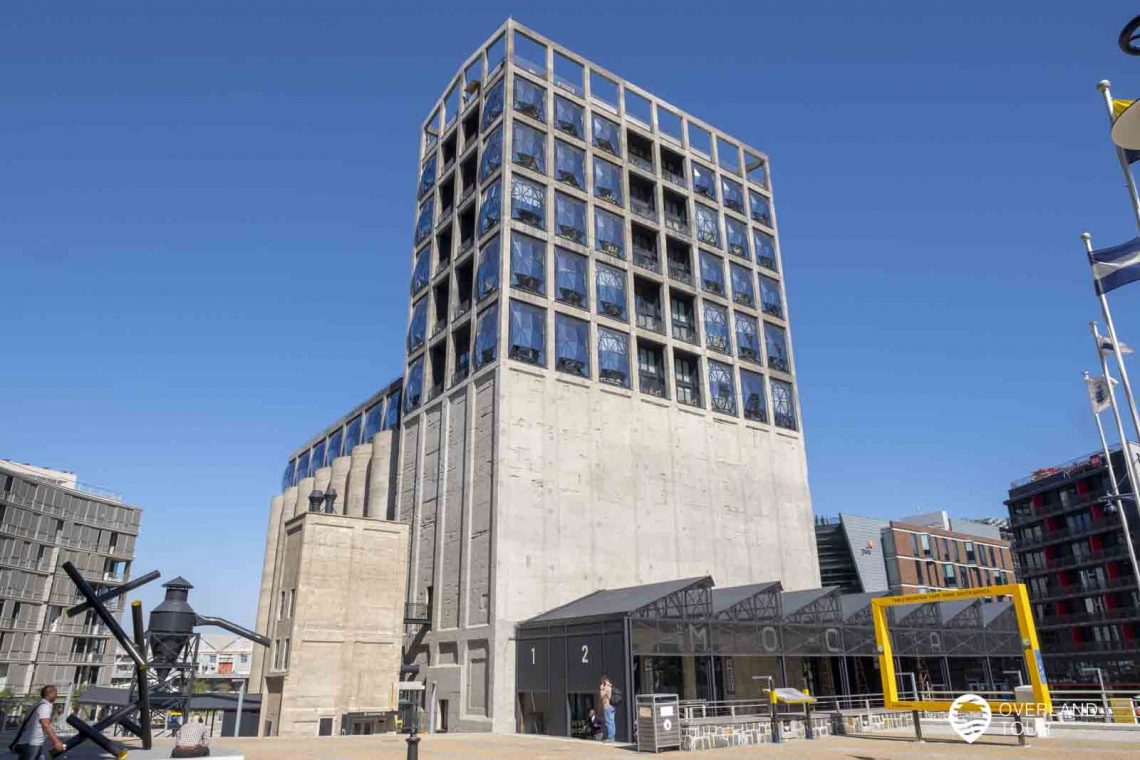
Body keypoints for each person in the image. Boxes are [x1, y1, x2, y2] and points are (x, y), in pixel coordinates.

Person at [8, 685, 64, 760]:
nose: (57, 695)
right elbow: (46, 725)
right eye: (55, 693)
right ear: (49, 693)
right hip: (34, 743)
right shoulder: (45, 707)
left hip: (27, 741)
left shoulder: (36, 705)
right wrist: (56, 742)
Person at [598, 675, 615, 742]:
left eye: (602, 681)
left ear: (604, 680)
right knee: (612, 723)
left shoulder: (606, 687)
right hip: (612, 708)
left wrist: (601, 688)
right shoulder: (611, 686)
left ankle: (610, 738)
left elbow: (601, 696)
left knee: (608, 723)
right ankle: (612, 738)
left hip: (607, 707)